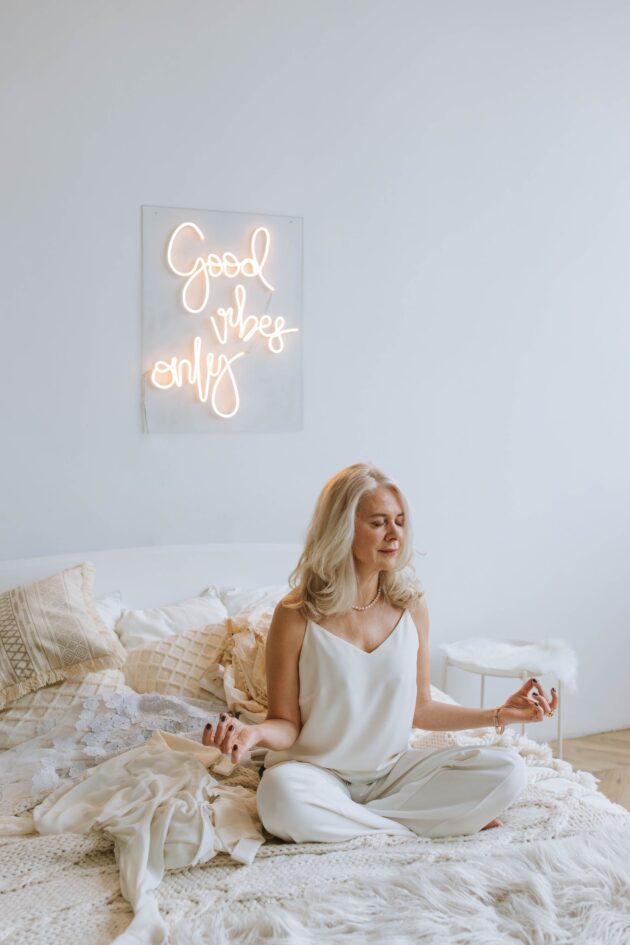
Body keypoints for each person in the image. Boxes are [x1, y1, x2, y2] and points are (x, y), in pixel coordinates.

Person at [202, 462, 558, 842]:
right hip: (316, 774)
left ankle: (355, 822)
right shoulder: (295, 615)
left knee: (508, 770)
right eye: (378, 523)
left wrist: (499, 715)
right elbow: (287, 725)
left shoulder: (411, 606)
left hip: (392, 773)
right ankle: (421, 824)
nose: (395, 535)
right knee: (279, 799)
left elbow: (421, 708)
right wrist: (253, 734)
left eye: (400, 521)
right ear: (343, 529)